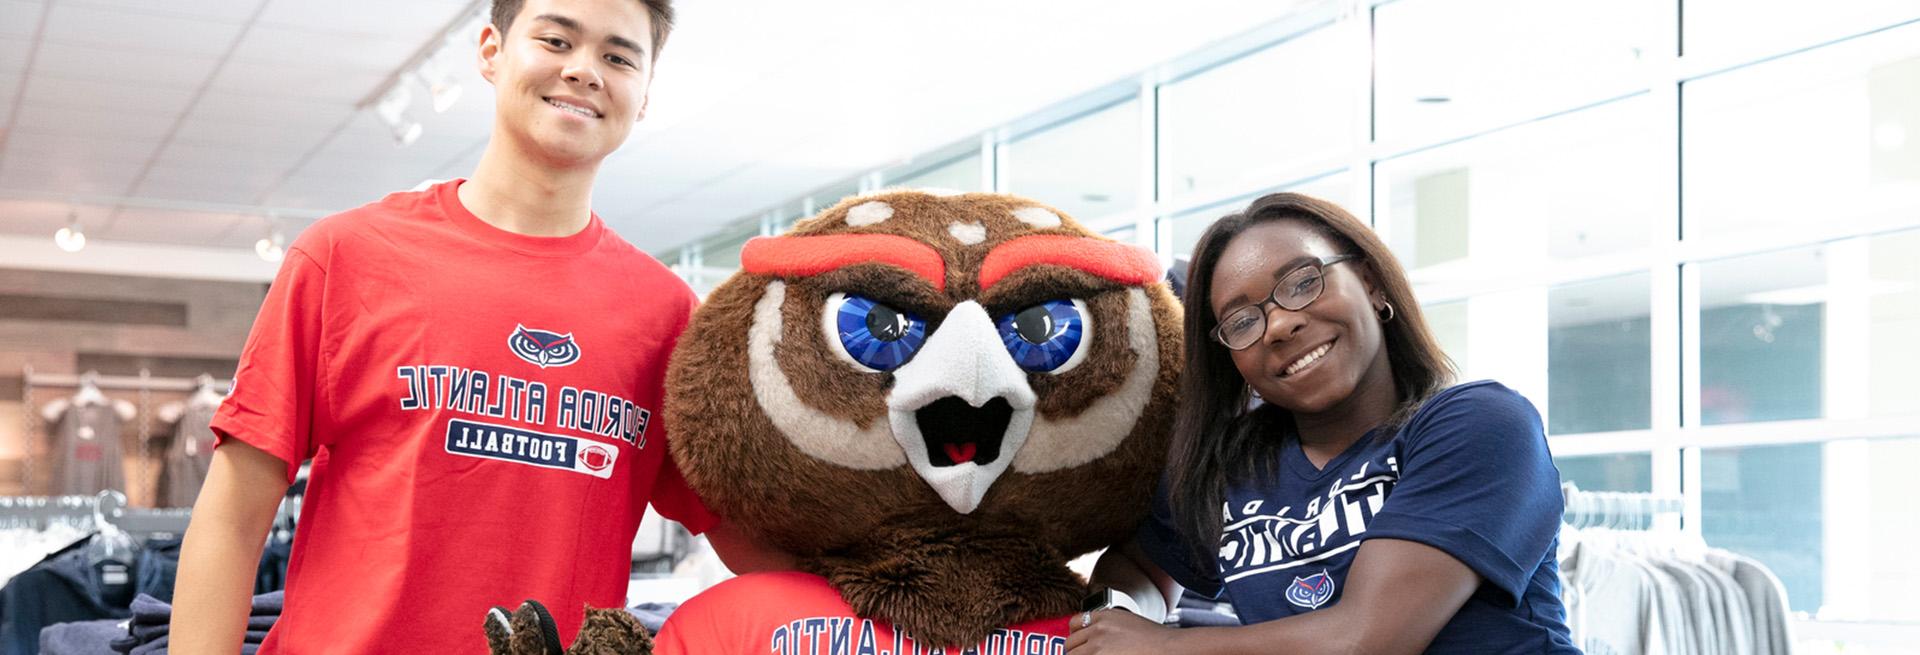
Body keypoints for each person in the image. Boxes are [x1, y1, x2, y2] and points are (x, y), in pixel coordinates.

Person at [171, 1, 782, 651]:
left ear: (645, 93)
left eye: (618, 56)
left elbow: (749, 537)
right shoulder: (345, 257)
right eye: (556, 40)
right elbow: (233, 518)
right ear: (491, 50)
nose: (584, 71)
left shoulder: (668, 317)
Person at [1068, 193, 1579, 654]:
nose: (1281, 325)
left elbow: (1366, 640)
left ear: (1372, 283)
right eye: (1242, 321)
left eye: (1303, 283)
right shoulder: (1232, 466)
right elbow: (1140, 568)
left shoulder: (1481, 425)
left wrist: (1161, 648)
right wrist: (1118, 616)